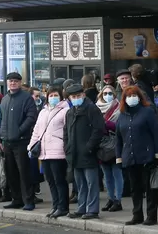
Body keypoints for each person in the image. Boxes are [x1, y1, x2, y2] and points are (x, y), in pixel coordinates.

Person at [116, 86, 158, 226]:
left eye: (134, 95)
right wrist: (118, 157)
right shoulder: (122, 115)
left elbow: (156, 133)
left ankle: (151, 216)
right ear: (124, 99)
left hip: (147, 156)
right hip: (129, 157)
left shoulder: (147, 112)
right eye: (128, 96)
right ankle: (137, 215)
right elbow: (118, 139)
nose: (132, 98)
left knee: (150, 188)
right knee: (134, 188)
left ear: (139, 97)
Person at [0, 72, 38, 210]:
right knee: (11, 172)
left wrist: (19, 131)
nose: (12, 83)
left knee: (24, 173)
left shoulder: (26, 98)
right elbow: (0, 119)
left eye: (15, 81)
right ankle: (16, 199)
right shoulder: (5, 99)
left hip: (22, 141)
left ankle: (29, 200)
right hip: (7, 141)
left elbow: (31, 117)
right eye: (10, 81)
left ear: (20, 83)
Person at [63, 83, 104, 219]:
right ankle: (81, 208)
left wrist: (89, 147)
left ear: (83, 95)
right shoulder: (70, 112)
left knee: (91, 183)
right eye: (73, 97)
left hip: (88, 153)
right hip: (74, 152)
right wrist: (67, 147)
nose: (76, 98)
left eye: (78, 96)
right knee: (80, 183)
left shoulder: (92, 109)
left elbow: (98, 130)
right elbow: (66, 132)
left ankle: (92, 210)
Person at [28, 86, 68, 217]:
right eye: (51, 95)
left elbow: (68, 131)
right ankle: (55, 205)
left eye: (56, 95)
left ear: (61, 96)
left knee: (59, 180)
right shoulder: (43, 112)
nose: (53, 98)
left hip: (58, 151)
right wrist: (31, 146)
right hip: (44, 152)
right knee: (50, 180)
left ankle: (63, 207)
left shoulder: (65, 110)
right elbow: (37, 131)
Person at [96, 83, 124, 213]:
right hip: (101, 146)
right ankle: (110, 198)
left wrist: (107, 124)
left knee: (117, 173)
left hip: (115, 144)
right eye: (105, 93)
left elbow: (121, 126)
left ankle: (118, 200)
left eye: (110, 94)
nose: (107, 96)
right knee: (106, 175)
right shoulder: (96, 108)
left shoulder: (119, 107)